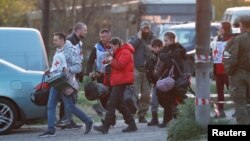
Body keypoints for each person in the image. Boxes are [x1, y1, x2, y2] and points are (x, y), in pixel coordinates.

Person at [39, 32, 93, 137]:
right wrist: (50, 70)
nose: (53, 42)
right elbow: (57, 67)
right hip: (56, 81)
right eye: (53, 40)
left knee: (69, 107)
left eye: (56, 40)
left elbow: (79, 67)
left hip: (66, 83)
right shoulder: (58, 50)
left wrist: (68, 69)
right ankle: (51, 130)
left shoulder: (71, 50)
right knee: (50, 105)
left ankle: (88, 121)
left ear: (62, 40)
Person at [93, 37, 137, 134]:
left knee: (111, 103)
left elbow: (120, 65)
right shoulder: (118, 52)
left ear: (117, 45)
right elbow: (109, 64)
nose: (111, 48)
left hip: (122, 81)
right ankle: (132, 124)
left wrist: (111, 59)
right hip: (118, 81)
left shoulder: (125, 51)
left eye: (112, 46)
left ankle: (106, 126)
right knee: (120, 104)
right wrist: (108, 58)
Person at [57, 22, 88, 130]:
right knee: (69, 99)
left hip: (74, 73)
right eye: (85, 30)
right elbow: (66, 58)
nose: (86, 32)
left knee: (69, 98)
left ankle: (65, 121)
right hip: (70, 74)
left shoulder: (77, 41)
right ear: (79, 30)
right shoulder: (70, 41)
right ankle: (66, 121)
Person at [154, 31, 186, 128]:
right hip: (166, 78)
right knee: (163, 97)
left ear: (172, 40)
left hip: (173, 79)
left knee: (167, 99)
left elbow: (173, 63)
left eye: (166, 40)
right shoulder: (167, 49)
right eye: (164, 40)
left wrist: (163, 56)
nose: (165, 42)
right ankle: (176, 115)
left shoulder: (178, 50)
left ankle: (167, 120)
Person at [223, 15, 250, 124]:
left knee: (240, 104)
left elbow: (230, 58)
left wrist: (229, 71)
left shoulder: (237, 40)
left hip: (239, 75)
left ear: (241, 25)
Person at [128, 20, 155, 123]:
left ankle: (142, 115)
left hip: (148, 71)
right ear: (140, 28)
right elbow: (130, 49)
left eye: (147, 28)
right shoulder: (134, 39)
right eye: (144, 28)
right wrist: (138, 39)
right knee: (133, 93)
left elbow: (159, 50)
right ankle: (130, 115)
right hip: (136, 69)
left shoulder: (154, 40)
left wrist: (152, 48)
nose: (146, 29)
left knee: (146, 94)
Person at [87, 29, 112, 116]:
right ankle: (107, 116)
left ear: (109, 37)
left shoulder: (114, 46)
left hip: (112, 76)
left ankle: (110, 115)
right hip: (100, 75)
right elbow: (90, 62)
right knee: (102, 96)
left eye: (104, 37)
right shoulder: (97, 47)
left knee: (112, 97)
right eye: (101, 37)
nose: (102, 39)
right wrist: (90, 72)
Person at [212, 21, 232, 118]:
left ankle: (239, 110)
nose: (219, 30)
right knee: (219, 92)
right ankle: (220, 111)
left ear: (225, 29)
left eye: (220, 28)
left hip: (227, 70)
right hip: (218, 69)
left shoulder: (232, 39)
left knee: (232, 90)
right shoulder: (218, 38)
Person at [145, 39, 164, 126]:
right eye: (153, 47)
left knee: (166, 102)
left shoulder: (163, 56)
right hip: (156, 82)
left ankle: (171, 118)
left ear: (161, 47)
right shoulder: (152, 57)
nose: (154, 49)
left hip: (164, 82)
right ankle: (154, 119)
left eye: (156, 47)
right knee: (154, 101)